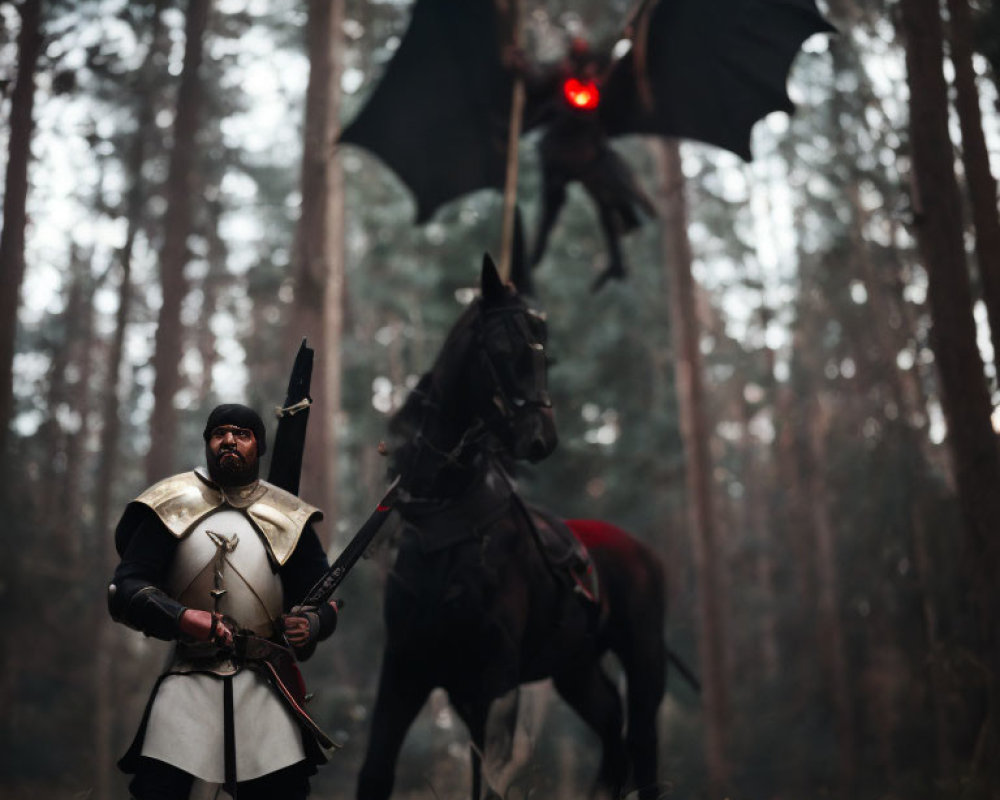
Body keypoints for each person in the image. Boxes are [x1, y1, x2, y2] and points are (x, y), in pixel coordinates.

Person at [108, 403, 339, 800]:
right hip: (188, 676)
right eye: (219, 433)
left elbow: (322, 601)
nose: (229, 440)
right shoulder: (170, 503)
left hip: (266, 684)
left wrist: (311, 625)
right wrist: (182, 618)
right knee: (158, 789)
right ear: (207, 443)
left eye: (242, 433)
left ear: (259, 446)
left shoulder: (288, 515)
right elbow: (125, 590)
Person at [510, 38, 656, 291]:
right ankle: (530, 264)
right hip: (558, 155)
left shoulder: (600, 86)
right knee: (549, 214)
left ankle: (617, 262)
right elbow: (534, 84)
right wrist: (520, 65)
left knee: (608, 199)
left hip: (588, 154)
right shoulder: (560, 79)